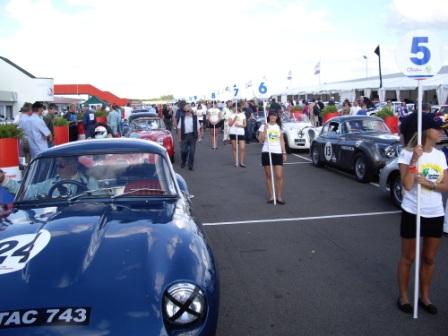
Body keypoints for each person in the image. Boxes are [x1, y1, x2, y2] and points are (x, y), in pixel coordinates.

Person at [396, 112, 448, 315]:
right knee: (408, 257)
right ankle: (404, 296)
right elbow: (407, 186)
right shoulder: (407, 153)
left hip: (434, 213)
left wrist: (431, 184)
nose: (441, 131)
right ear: (426, 131)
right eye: (437, 128)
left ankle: (424, 296)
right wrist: (414, 160)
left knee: (429, 258)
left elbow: (446, 185)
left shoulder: (440, 155)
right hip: (412, 211)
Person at [0, 156, 98, 199]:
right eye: (56, 166)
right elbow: (27, 192)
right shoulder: (50, 183)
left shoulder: (89, 181)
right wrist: (4, 180)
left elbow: (99, 202)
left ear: (73, 165)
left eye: (61, 166)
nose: (57, 169)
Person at [257, 110, 287, 204]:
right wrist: (265, 131)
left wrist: (284, 152)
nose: (273, 117)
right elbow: (260, 140)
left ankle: (279, 197)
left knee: (279, 176)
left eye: (275, 115)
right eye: (271, 115)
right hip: (266, 151)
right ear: (268, 116)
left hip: (277, 152)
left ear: (277, 117)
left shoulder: (279, 127)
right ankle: (271, 196)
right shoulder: (264, 126)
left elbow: (282, 140)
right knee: (269, 175)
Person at [178, 104, 202, 170]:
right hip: (184, 136)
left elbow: (198, 128)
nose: (186, 112)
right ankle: (183, 162)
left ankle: (190, 165)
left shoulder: (194, 118)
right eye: (185, 111)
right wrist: (179, 138)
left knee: (192, 151)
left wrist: (199, 137)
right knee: (184, 151)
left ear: (190, 111)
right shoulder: (182, 118)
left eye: (188, 111)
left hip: (192, 136)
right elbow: (179, 128)